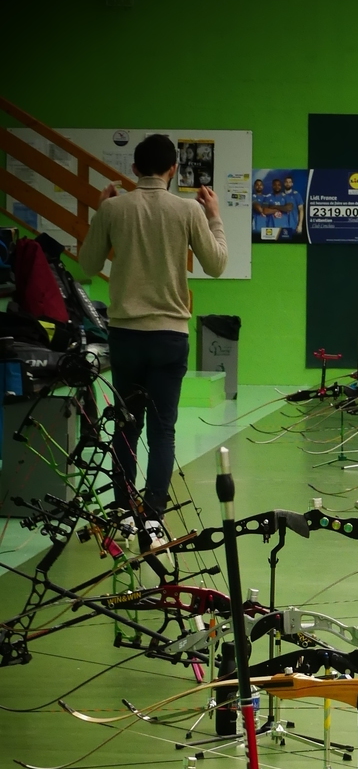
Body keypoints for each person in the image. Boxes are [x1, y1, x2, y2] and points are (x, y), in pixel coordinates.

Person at [78, 133, 228, 528]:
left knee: (126, 426)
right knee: (163, 431)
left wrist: (100, 212)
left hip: (125, 336)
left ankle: (123, 511)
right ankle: (153, 516)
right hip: (170, 337)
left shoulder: (114, 209)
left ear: (133, 169)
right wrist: (213, 216)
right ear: (173, 170)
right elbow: (216, 265)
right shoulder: (188, 210)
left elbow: (87, 265)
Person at [281, 173, 304, 238]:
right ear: (284, 183)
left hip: (294, 226)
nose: (288, 183)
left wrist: (300, 225)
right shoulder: (280, 195)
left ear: (292, 184)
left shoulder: (296, 195)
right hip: (282, 226)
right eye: (286, 182)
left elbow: (301, 210)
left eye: (290, 182)